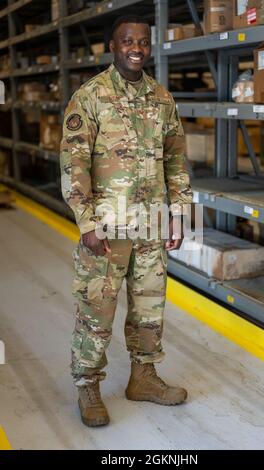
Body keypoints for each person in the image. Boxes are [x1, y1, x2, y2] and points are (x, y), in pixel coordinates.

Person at [60, 15, 193, 427]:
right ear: (113, 47)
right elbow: (74, 162)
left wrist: (179, 213)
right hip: (107, 226)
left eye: (143, 42)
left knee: (149, 307)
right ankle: (87, 386)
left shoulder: (161, 98)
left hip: (151, 223)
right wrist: (86, 222)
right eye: (127, 41)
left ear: (150, 48)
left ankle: (144, 377)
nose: (137, 47)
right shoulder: (91, 96)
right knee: (97, 308)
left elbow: (175, 160)